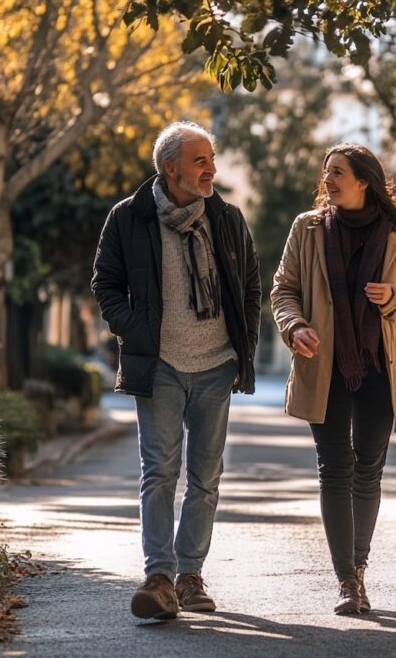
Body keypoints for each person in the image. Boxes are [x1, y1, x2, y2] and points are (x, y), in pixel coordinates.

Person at [91, 121, 260, 620]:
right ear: (170, 168)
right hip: (159, 365)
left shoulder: (226, 218)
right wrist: (136, 332)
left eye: (212, 159)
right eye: (200, 161)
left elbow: (251, 286)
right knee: (160, 472)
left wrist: (241, 348)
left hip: (216, 365)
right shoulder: (128, 217)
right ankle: (159, 577)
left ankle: (190, 576)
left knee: (205, 477)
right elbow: (106, 284)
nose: (211, 169)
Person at [271, 143, 396, 615]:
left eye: (337, 172)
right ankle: (346, 579)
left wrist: (395, 297)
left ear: (364, 181)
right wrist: (294, 325)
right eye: (326, 172)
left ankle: (358, 567)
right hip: (324, 365)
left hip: (381, 367)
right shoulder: (307, 228)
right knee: (334, 468)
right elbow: (284, 289)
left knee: (369, 467)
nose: (327, 180)